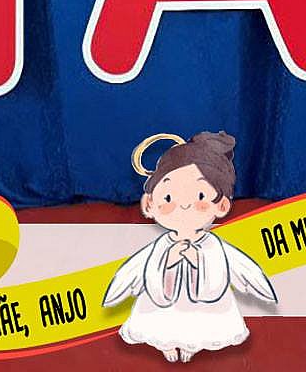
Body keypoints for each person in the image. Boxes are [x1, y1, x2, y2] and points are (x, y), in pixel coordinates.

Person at [102, 131, 277, 363]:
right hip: (163, 304)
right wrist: (168, 261)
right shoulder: (161, 246)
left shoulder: (213, 245)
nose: (184, 205)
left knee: (200, 324)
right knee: (162, 321)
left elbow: (239, 268)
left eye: (200, 195)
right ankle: (166, 343)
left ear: (222, 205)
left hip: (205, 306)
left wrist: (198, 260)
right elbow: (135, 270)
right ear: (149, 204)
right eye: (168, 198)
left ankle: (192, 344)